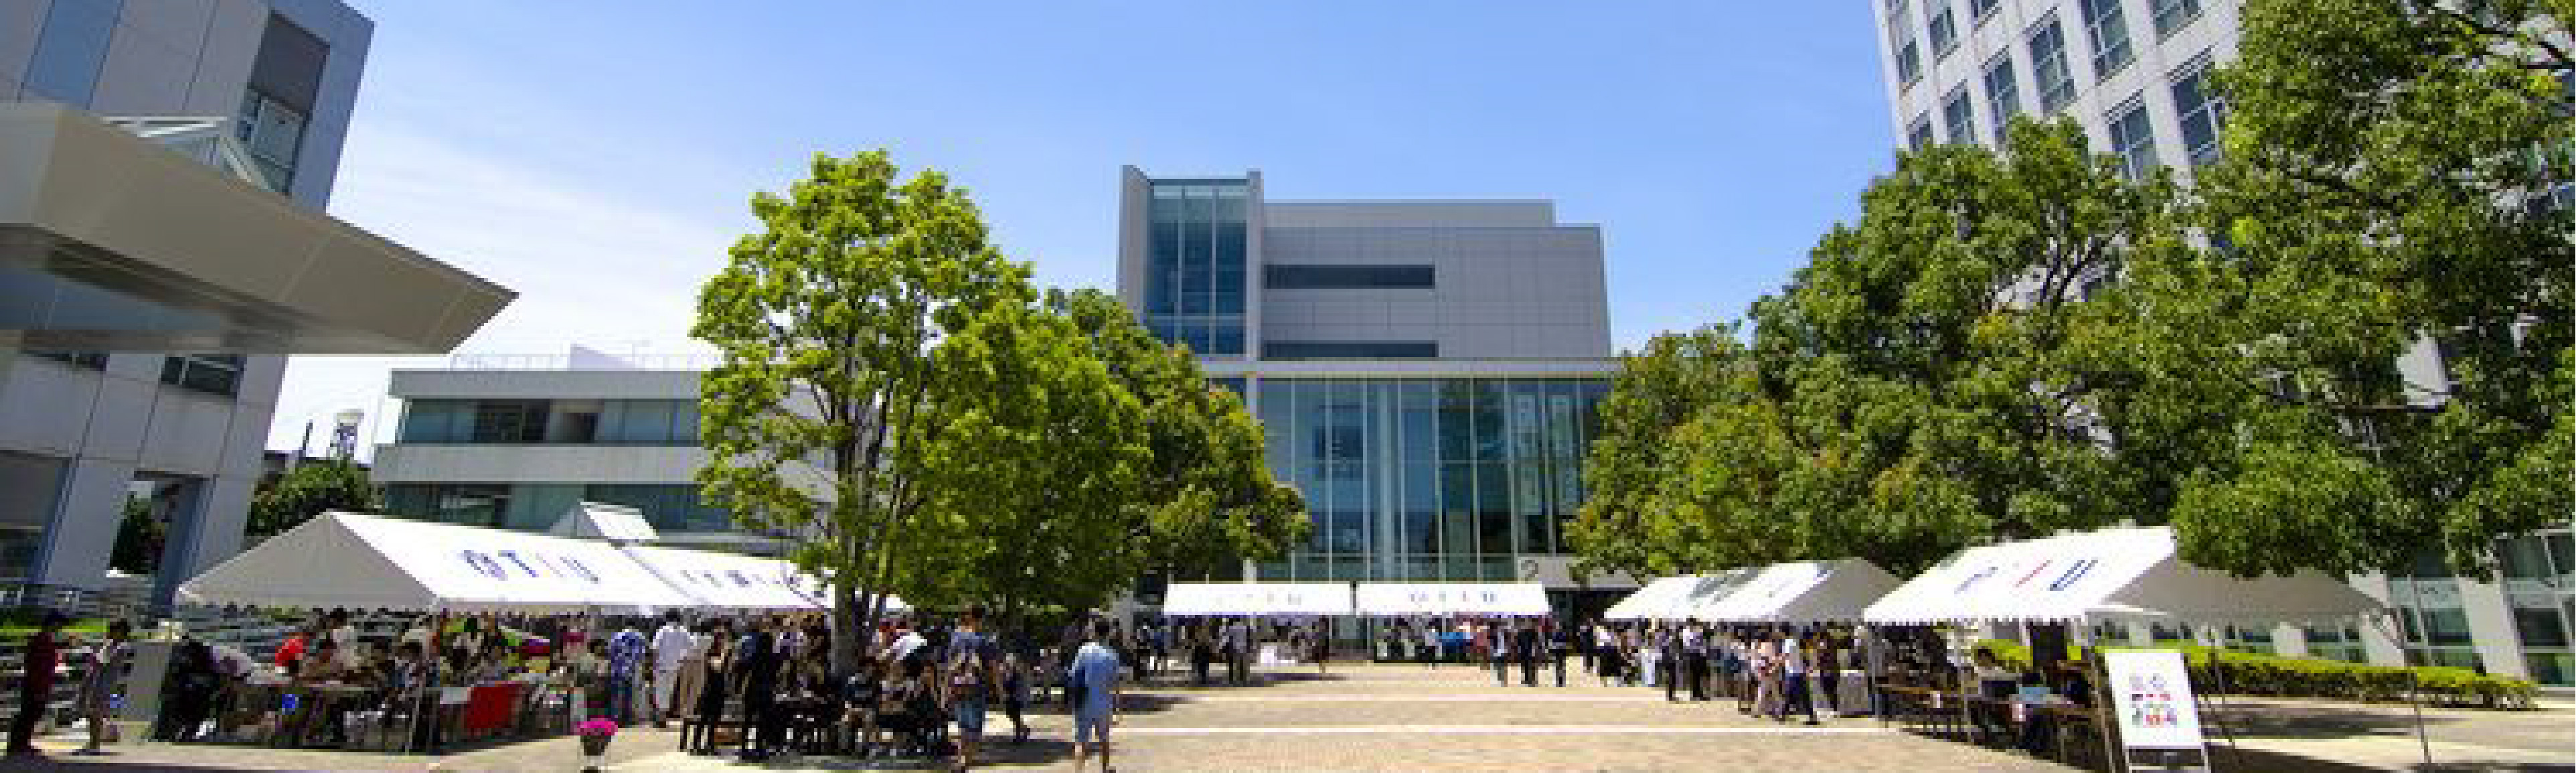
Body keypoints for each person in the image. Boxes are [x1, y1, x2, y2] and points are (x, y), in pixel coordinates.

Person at [944, 606, 1003, 771]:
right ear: (982, 620)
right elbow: (993, 669)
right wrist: (1000, 691)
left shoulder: (956, 639)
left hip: (958, 687)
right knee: (974, 730)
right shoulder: (986, 641)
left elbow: (949, 666)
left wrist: (945, 689)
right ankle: (964, 763)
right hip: (977, 688)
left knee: (962, 727)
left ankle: (961, 760)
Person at [68, 619, 133, 755]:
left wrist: (87, 650)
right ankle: (92, 743)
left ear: (121, 632)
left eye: (113, 630)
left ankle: (95, 745)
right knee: (92, 714)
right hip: (96, 682)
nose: (109, 633)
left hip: (104, 684)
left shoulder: (122, 647)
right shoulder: (110, 645)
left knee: (96, 714)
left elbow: (102, 661)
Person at [1067, 620, 1122, 773]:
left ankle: (1079, 771)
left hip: (1084, 701)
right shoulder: (1112, 655)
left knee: (1081, 741)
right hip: (1104, 702)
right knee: (1104, 739)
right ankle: (1105, 769)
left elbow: (1074, 675)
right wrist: (1117, 708)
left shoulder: (1084, 650)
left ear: (1095, 632)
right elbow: (1116, 683)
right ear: (1109, 633)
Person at [649, 612, 693, 729]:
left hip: (662, 666)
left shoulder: (663, 630)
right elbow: (691, 648)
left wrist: (653, 665)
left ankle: (661, 718)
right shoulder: (684, 632)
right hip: (676, 667)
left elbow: (655, 649)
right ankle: (663, 718)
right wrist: (683, 661)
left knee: (660, 692)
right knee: (668, 693)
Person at [605, 620, 647, 725]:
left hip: (617, 670)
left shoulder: (616, 636)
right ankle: (627, 718)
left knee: (616, 695)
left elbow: (610, 653)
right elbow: (642, 656)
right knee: (630, 695)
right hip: (632, 671)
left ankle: (616, 718)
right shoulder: (640, 637)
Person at [1514, 620, 1543, 687]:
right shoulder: (1521, 634)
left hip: (1530, 652)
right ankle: (1528, 680)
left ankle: (1532, 680)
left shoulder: (1533, 633)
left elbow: (1538, 643)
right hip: (1525, 653)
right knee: (1526, 667)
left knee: (1531, 666)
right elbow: (1518, 644)